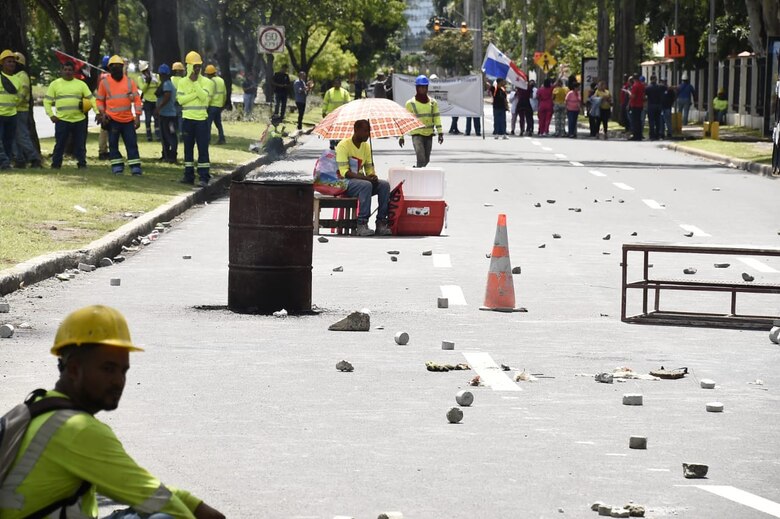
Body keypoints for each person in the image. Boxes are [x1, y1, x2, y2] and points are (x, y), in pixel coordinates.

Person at [0, 305, 226, 519]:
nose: (119, 381)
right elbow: (155, 500)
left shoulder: (41, 406)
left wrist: (191, 502)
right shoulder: (78, 430)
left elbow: (133, 482)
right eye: (108, 369)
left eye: (123, 371)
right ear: (75, 369)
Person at [337, 119, 391, 237]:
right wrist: (366, 179)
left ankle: (381, 222)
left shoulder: (366, 146)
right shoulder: (343, 145)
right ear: (356, 130)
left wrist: (372, 175)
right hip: (345, 183)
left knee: (384, 185)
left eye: (369, 131)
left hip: (361, 182)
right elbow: (344, 172)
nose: (368, 134)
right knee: (366, 185)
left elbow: (368, 167)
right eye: (365, 131)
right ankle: (362, 224)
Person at [96, 55, 143, 176]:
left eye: (119, 66)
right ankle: (117, 167)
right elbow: (99, 100)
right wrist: (103, 114)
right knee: (113, 145)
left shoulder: (129, 82)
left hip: (128, 120)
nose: (116, 69)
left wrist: (137, 117)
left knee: (132, 144)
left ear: (123, 67)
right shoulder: (104, 83)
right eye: (114, 67)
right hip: (112, 120)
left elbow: (137, 100)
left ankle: (135, 168)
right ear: (109, 68)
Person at [44, 60, 95, 170]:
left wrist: (98, 112)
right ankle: (56, 165)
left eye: (70, 70)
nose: (67, 72)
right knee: (60, 144)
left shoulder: (81, 84)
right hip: (62, 120)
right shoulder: (55, 84)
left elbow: (92, 99)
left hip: (79, 120)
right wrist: (51, 115)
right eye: (65, 70)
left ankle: (82, 164)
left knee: (80, 145)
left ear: (74, 71)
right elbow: (47, 101)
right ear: (61, 71)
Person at [177, 51, 213, 187]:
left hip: (202, 120)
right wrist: (195, 94)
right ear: (188, 66)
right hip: (187, 120)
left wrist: (195, 84)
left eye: (199, 66)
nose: (197, 69)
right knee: (188, 149)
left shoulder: (207, 82)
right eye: (194, 66)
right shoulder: (181, 82)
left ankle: (204, 177)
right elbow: (181, 101)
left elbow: (205, 100)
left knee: (203, 149)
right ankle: (188, 175)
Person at [400, 75, 443, 167]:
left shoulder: (433, 103)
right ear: (417, 88)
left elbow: (436, 117)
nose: (423, 89)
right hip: (417, 134)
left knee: (426, 160)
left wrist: (440, 133)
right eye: (421, 87)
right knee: (421, 158)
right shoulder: (410, 103)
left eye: (425, 87)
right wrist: (401, 136)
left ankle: (418, 171)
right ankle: (418, 176)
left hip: (429, 134)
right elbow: (404, 120)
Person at [11, 52, 41, 168]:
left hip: (19, 110)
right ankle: (19, 159)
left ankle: (34, 158)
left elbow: (22, 93)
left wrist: (12, 104)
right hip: (14, 110)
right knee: (14, 136)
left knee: (22, 136)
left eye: (14, 62)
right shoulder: (16, 76)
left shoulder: (22, 75)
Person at [0, 49, 21, 170]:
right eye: (9, 61)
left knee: (8, 141)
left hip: (12, 115)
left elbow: (18, 98)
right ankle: (4, 162)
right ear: (2, 63)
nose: (12, 64)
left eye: (13, 62)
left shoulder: (17, 79)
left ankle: (5, 163)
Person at [154, 64, 178, 163]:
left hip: (168, 115)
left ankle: (171, 155)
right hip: (166, 114)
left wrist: (159, 108)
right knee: (165, 135)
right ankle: (166, 154)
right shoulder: (166, 83)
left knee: (170, 135)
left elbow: (167, 96)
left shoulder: (167, 84)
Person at [322, 78, 351, 149]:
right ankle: (332, 142)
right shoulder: (329, 92)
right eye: (335, 83)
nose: (337, 84)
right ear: (333, 84)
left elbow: (348, 103)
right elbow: (325, 102)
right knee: (332, 129)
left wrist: (349, 112)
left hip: (342, 114)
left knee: (340, 128)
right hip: (331, 113)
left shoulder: (344, 92)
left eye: (338, 83)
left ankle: (339, 141)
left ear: (340, 84)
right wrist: (324, 111)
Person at [137, 62, 159, 141]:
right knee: (148, 120)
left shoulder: (156, 76)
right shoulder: (140, 79)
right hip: (147, 101)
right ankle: (149, 136)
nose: (145, 72)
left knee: (157, 119)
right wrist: (147, 82)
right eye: (144, 71)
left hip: (156, 101)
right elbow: (143, 89)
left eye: (146, 70)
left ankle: (158, 136)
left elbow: (159, 85)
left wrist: (153, 81)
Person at [204, 64, 226, 144]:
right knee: (218, 124)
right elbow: (224, 94)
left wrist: (206, 105)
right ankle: (222, 138)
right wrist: (223, 104)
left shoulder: (211, 82)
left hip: (212, 105)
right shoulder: (221, 80)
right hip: (219, 105)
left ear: (209, 74)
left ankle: (207, 139)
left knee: (208, 123)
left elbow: (209, 95)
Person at [645, 75, 663, 141]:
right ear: (656, 79)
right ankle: (657, 134)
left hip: (651, 105)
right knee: (658, 121)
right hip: (658, 105)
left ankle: (652, 135)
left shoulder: (648, 88)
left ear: (650, 79)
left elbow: (645, 96)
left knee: (651, 121)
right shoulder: (659, 87)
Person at [628, 73, 646, 141]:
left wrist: (629, 94)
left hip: (635, 105)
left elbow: (633, 96)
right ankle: (639, 134)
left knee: (635, 121)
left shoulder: (635, 86)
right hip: (640, 104)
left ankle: (635, 135)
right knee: (638, 120)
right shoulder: (642, 85)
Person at [171, 62, 185, 135]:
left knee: (172, 118)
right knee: (180, 119)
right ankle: (181, 133)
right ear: (179, 71)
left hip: (172, 102)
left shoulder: (171, 79)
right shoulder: (184, 80)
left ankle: (172, 133)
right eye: (182, 70)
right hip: (181, 102)